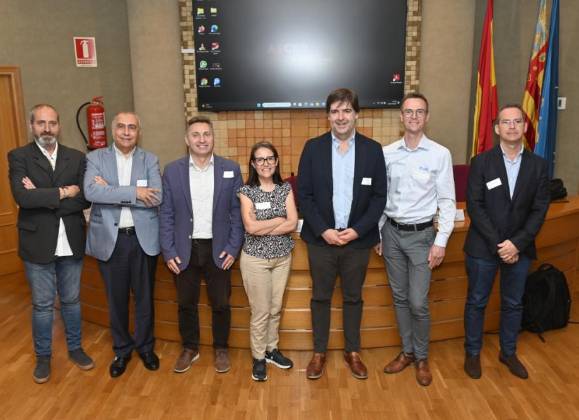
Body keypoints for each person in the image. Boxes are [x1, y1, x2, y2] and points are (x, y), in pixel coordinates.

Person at [297, 88, 387, 380]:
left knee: (353, 298)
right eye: (335, 111)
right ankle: (319, 353)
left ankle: (353, 352)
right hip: (321, 241)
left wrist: (358, 230)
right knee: (320, 297)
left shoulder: (373, 150)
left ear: (356, 114)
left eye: (347, 110)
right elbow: (304, 195)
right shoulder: (313, 148)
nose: (341, 117)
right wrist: (323, 230)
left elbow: (379, 198)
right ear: (328, 116)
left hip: (357, 241)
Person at [8, 104, 94, 384]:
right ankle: (43, 357)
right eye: (41, 123)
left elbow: (85, 199)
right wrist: (64, 192)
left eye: (52, 123)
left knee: (71, 301)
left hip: (71, 240)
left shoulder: (76, 157)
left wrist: (43, 196)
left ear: (59, 126)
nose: (47, 129)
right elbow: (23, 197)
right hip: (37, 243)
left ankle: (75, 348)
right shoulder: (19, 156)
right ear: (31, 125)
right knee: (43, 305)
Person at [463, 104, 550, 380]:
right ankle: (472, 353)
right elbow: (475, 206)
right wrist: (500, 244)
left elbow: (539, 210)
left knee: (513, 303)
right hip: (483, 247)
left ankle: (508, 352)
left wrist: (517, 244)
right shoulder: (481, 162)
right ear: (497, 128)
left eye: (517, 121)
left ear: (524, 127)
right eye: (506, 122)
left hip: (520, 250)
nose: (512, 126)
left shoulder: (539, 166)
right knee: (477, 302)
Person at [377, 92, 456, 386]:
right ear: (401, 117)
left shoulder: (439, 154)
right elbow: (380, 197)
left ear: (427, 117)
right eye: (408, 112)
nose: (413, 117)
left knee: (417, 301)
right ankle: (407, 352)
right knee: (399, 298)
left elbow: (447, 200)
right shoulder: (387, 153)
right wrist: (377, 231)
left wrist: (441, 241)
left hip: (422, 236)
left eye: (419, 112)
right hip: (391, 234)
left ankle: (422, 357)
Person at [159, 116, 244, 374]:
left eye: (206, 134)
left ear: (213, 138)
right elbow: (166, 213)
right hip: (184, 249)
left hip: (219, 248)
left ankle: (221, 348)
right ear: (187, 140)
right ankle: (189, 347)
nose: (202, 139)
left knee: (221, 303)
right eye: (195, 135)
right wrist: (168, 250)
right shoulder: (172, 171)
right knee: (186, 302)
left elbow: (237, 212)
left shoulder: (231, 169)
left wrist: (233, 247)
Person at [84, 112, 162, 378]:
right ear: (112, 130)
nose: (126, 132)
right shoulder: (95, 158)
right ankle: (122, 350)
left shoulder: (150, 159)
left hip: (142, 240)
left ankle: (146, 348)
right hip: (111, 240)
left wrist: (111, 190)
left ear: (139, 132)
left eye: (132, 127)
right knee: (116, 300)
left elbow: (157, 197)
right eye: (121, 127)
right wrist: (134, 192)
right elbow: (91, 192)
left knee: (144, 299)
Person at [238, 142, 298, 381]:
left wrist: (265, 225)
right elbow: (250, 228)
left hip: (282, 258)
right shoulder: (246, 192)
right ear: (253, 164)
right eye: (260, 159)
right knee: (261, 311)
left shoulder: (285, 188)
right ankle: (258, 357)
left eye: (270, 158)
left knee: (275, 308)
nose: (266, 163)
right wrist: (278, 219)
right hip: (256, 260)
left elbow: (292, 223)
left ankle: (271, 350)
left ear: (276, 161)